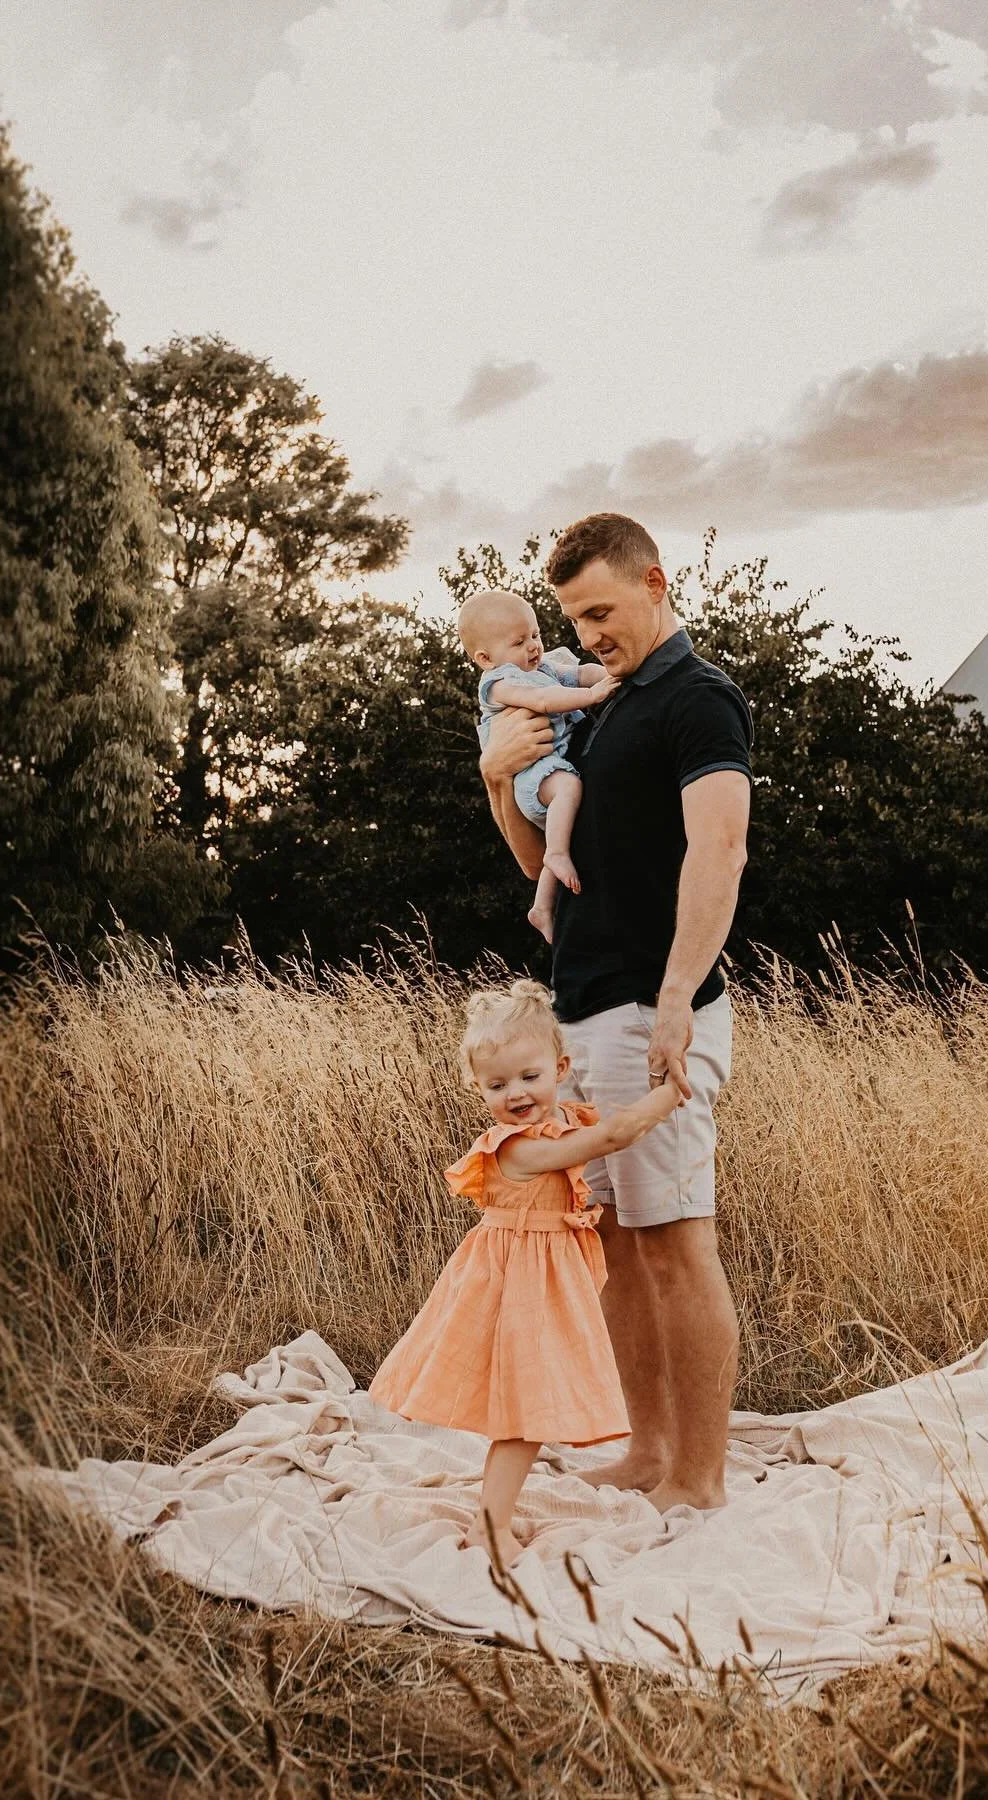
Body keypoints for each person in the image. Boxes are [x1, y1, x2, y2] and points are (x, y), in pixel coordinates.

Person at [479, 514, 752, 1515]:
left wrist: (678, 997)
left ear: (654, 581)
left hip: (654, 1006)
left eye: (601, 610)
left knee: (678, 1243)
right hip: (583, 1010)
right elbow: (538, 864)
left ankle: (700, 1479)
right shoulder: (599, 710)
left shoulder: (699, 700)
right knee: (623, 1246)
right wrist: (497, 782)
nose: (589, 633)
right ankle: (647, 1453)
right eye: (574, 618)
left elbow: (720, 854)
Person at [368, 979, 682, 1567]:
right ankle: (489, 1527)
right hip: (516, 1285)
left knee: (527, 1408)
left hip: (540, 1280)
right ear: (477, 1088)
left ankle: (495, 1516)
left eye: (529, 1077)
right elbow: (613, 1135)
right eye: (497, 1084)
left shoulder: (557, 1120)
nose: (516, 1093)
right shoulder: (516, 1148)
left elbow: (592, 1128)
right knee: (523, 1411)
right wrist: (670, 1093)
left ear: (560, 1068)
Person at [458, 587, 618, 941]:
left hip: (551, 768)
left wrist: (610, 676)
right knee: (569, 790)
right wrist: (592, 696)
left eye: (535, 634)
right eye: (518, 642)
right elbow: (544, 699)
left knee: (568, 820)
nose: (532, 646)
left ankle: (543, 907)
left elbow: (581, 673)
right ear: (485, 658)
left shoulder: (541, 666)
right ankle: (557, 857)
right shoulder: (501, 682)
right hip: (533, 776)